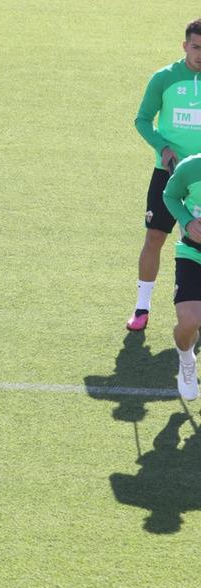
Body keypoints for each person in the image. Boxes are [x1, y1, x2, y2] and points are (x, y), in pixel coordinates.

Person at [127, 19, 201, 331]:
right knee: (155, 236)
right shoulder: (164, 78)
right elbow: (142, 119)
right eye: (196, 47)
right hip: (168, 173)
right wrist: (162, 146)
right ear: (185, 45)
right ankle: (142, 307)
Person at [161, 152, 201, 399]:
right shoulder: (190, 167)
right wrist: (187, 222)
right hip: (192, 254)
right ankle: (186, 358)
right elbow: (170, 195)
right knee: (189, 322)